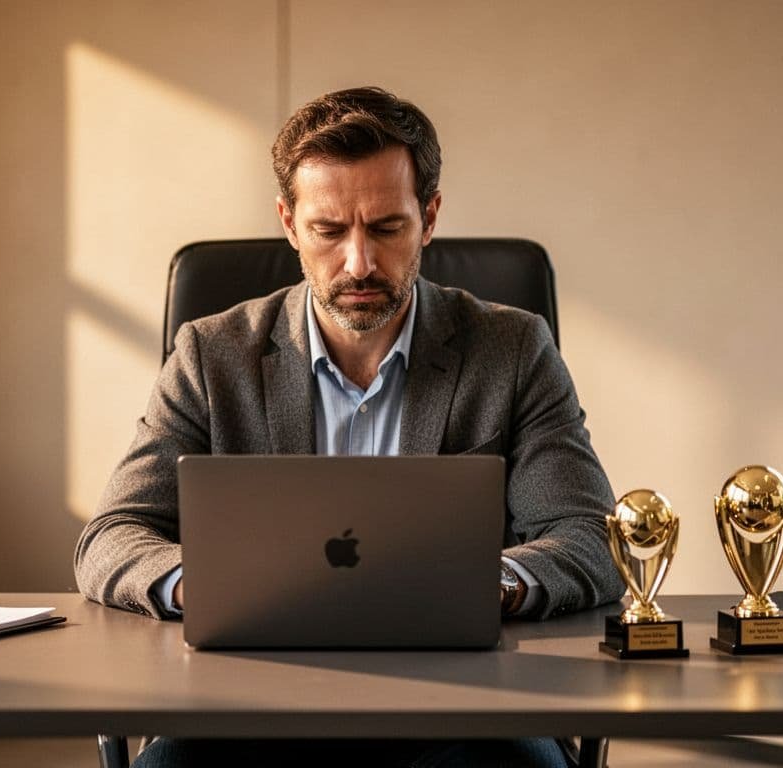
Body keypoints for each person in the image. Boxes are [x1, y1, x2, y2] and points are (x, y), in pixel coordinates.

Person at [74, 86, 625, 768]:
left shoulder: (511, 350)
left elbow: (593, 537)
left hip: (463, 710)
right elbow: (110, 537)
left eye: (387, 228)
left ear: (429, 217)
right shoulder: (210, 353)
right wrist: (204, 584)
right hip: (245, 710)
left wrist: (497, 582)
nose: (358, 263)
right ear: (288, 222)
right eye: (329, 231)